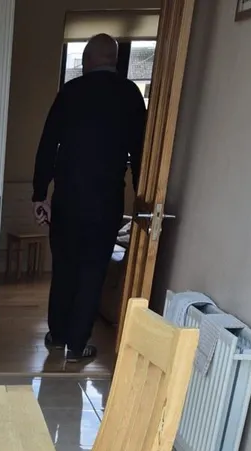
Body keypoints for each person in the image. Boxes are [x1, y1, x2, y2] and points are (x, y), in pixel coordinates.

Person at [32, 32, 147, 363]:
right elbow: (141, 153)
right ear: (113, 59)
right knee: (92, 273)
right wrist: (143, 198)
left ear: (86, 61)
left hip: (67, 198)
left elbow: (47, 145)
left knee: (64, 269)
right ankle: (78, 345)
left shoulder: (71, 92)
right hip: (106, 201)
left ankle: (57, 335)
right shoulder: (130, 95)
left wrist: (40, 193)